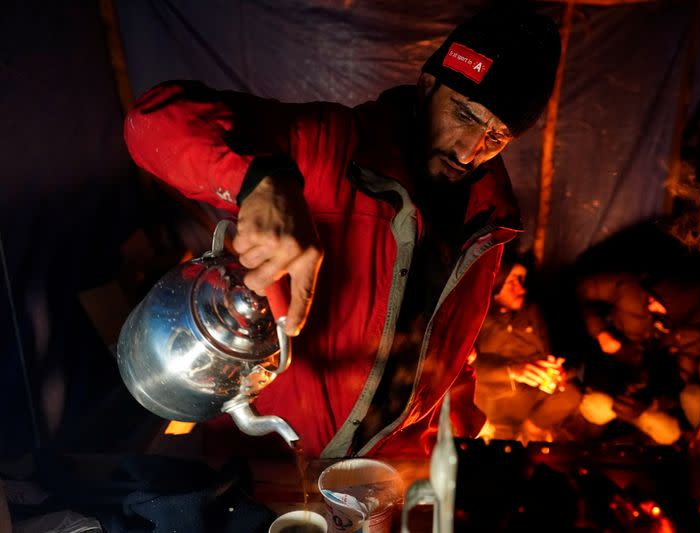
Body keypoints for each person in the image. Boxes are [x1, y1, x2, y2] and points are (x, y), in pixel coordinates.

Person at [123, 3, 561, 458]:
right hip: (273, 469)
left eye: (497, 136)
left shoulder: (487, 226)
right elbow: (153, 121)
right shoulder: (327, 146)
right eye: (467, 115)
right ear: (428, 86)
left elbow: (448, 353)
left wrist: (456, 445)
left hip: (384, 483)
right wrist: (259, 181)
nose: (470, 152)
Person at [472, 255, 583, 442]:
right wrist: (512, 371)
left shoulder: (532, 312)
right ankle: (499, 433)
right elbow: (464, 369)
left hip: (531, 398)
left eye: (522, 281)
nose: (521, 289)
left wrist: (556, 371)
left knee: (572, 394)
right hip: (492, 397)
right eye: (512, 283)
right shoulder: (477, 316)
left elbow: (547, 354)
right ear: (496, 282)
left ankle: (531, 428)